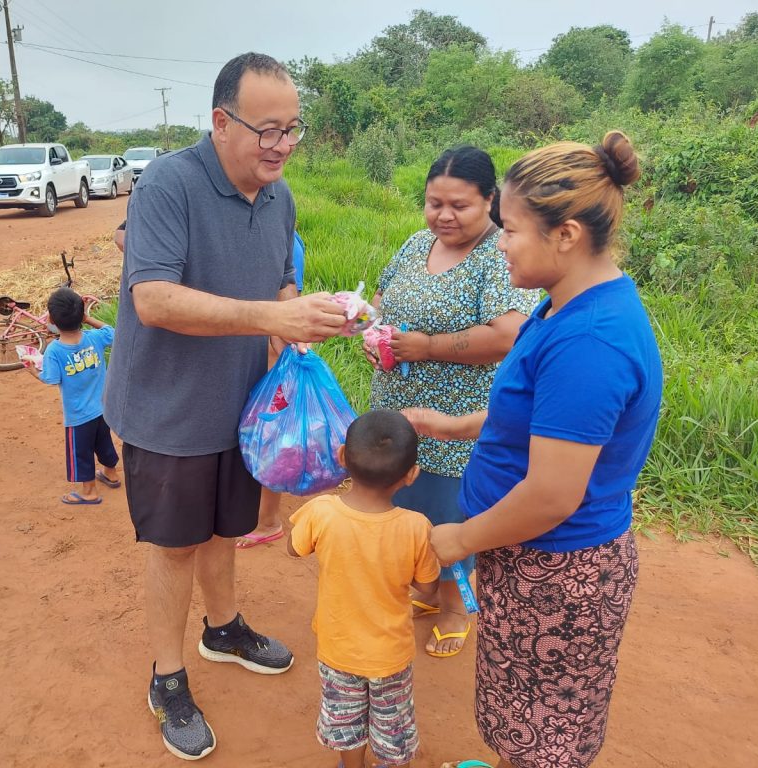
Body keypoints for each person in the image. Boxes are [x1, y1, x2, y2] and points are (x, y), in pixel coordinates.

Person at [103, 52, 347, 761]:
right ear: (220, 121)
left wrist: (303, 316)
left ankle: (224, 627)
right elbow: (152, 299)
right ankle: (167, 676)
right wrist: (269, 318)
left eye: (292, 130)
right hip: (167, 411)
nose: (281, 146)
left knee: (224, 531)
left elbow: (277, 288)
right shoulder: (168, 186)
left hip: (240, 409)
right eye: (266, 130)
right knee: (176, 544)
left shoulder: (281, 198)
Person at [409, 132, 662, 768]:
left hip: (556, 570)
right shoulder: (565, 306)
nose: (500, 243)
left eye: (511, 229)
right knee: (521, 707)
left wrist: (459, 540)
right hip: (529, 559)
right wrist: (460, 425)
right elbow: (539, 419)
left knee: (548, 731)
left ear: (567, 234)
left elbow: (552, 494)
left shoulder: (591, 344)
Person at [365, 147, 539, 658]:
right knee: (406, 510)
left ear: (490, 201)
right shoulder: (417, 243)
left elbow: (509, 334)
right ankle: (424, 589)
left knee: (450, 516)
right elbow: (381, 299)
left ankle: (453, 606)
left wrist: (428, 347)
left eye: (459, 205)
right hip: (398, 413)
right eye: (433, 202)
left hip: (455, 424)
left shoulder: (497, 256)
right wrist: (370, 329)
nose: (443, 215)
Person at [288, 410, 440, 768]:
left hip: (338, 647)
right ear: (411, 475)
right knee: (392, 724)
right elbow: (429, 589)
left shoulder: (321, 512)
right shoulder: (417, 527)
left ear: (342, 456)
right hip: (390, 654)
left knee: (346, 722)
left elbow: (294, 548)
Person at [236, 229, 306, 549]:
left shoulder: (284, 242)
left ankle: (268, 521)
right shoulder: (275, 238)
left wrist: (281, 356)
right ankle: (261, 516)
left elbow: (286, 313)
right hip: (263, 359)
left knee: (270, 438)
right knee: (261, 437)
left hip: (272, 363)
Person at [26, 287, 120, 505]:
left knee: (81, 452)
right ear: (82, 316)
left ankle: (89, 492)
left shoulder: (54, 350)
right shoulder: (94, 338)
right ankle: (111, 473)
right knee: (103, 441)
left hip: (78, 416)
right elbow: (112, 332)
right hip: (102, 408)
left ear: (50, 319)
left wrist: (33, 370)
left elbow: (50, 378)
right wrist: (89, 318)